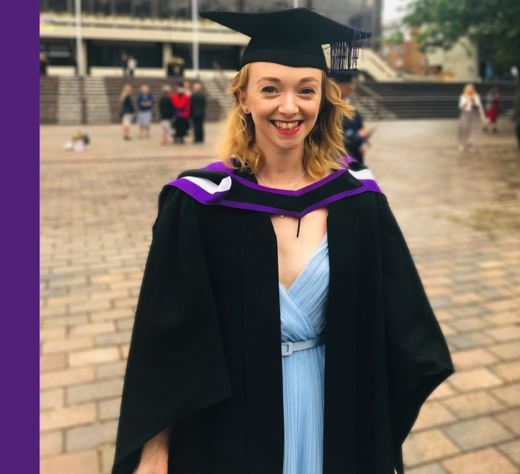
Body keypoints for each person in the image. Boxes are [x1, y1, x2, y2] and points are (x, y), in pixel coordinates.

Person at [111, 8, 453, 474]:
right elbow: (167, 339)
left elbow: (399, 326)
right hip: (232, 425)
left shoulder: (359, 202)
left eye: (305, 91)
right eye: (270, 88)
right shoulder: (199, 206)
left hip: (336, 415)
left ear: (322, 100)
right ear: (244, 98)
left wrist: (378, 432)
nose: (289, 107)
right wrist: (154, 449)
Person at [333, 71, 371, 164]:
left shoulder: (352, 109)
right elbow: (339, 141)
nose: (351, 87)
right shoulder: (331, 111)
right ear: (337, 86)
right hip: (340, 164)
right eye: (348, 84)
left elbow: (360, 129)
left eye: (352, 83)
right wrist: (360, 136)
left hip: (356, 160)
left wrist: (365, 142)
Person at [457, 84, 485, 152]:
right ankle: (462, 144)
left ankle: (470, 144)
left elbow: (478, 105)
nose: (470, 90)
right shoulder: (463, 96)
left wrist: (474, 102)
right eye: (469, 89)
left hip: (474, 114)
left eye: (471, 89)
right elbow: (461, 106)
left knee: (472, 130)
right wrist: (467, 101)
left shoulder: (476, 96)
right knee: (463, 129)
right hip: (465, 114)